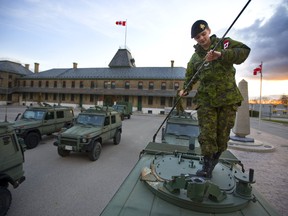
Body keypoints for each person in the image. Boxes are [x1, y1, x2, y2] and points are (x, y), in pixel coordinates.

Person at [179, 20, 250, 178]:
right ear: (195, 40)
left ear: (209, 31)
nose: (202, 38)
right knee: (207, 134)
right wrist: (185, 89)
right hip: (206, 100)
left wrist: (221, 55)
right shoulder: (195, 58)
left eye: (203, 34)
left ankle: (213, 161)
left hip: (228, 99)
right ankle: (207, 165)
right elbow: (190, 77)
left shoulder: (224, 43)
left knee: (222, 135)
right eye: (198, 37)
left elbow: (244, 51)